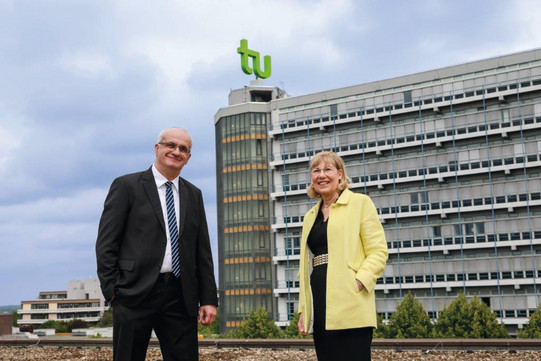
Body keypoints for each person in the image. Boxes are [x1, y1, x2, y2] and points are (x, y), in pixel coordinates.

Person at [96, 127, 218, 361]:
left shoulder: (194, 194)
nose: (176, 151)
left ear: (188, 157)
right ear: (157, 148)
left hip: (181, 295)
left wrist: (209, 299)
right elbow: (106, 243)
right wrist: (113, 291)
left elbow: (202, 252)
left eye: (183, 149)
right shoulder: (126, 186)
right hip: (133, 292)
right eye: (170, 145)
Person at [297, 151, 388, 361]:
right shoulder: (309, 217)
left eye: (327, 169)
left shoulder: (360, 203)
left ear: (340, 174)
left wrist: (357, 282)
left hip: (350, 301)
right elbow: (304, 267)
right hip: (319, 300)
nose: (322, 175)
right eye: (316, 170)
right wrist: (304, 309)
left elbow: (378, 251)